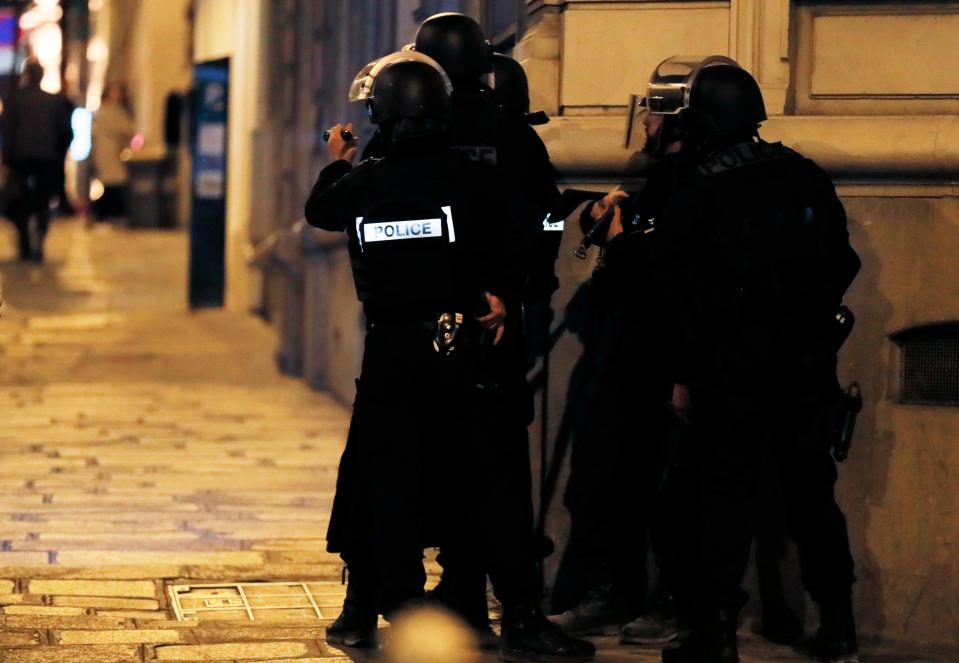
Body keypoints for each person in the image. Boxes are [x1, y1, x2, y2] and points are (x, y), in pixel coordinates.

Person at [305, 57, 594, 663]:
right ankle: (519, 614)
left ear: (382, 113)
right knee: (491, 478)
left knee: (388, 480)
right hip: (463, 343)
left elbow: (321, 210)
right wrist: (498, 292)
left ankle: (387, 608)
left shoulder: (367, 181)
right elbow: (525, 230)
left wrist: (339, 158)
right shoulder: (472, 175)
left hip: (390, 352)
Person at [632, 56, 861, 663]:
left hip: (730, 372)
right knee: (812, 495)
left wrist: (684, 375)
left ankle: (715, 636)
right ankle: (838, 628)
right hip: (806, 366)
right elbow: (843, 264)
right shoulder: (804, 174)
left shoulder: (701, 192)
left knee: (724, 501)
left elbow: (676, 297)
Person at [551, 87, 692, 643]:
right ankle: (612, 590)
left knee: (670, 491)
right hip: (632, 356)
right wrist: (615, 217)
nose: (647, 123)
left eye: (656, 113)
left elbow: (671, 274)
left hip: (671, 359)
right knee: (607, 476)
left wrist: (624, 242)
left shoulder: (700, 185)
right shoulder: (662, 183)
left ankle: (672, 601)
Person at [1, 57, 73, 261]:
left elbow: (6, 130)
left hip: (20, 158)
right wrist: (59, 155)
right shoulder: (55, 101)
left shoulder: (13, 99)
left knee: (20, 200)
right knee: (42, 202)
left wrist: (7, 156)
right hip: (47, 158)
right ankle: (39, 240)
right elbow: (65, 131)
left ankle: (25, 242)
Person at [92, 82, 135, 221]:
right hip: (107, 151)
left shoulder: (117, 111)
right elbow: (125, 128)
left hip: (114, 151)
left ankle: (108, 213)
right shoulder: (106, 112)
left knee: (114, 182)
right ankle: (107, 213)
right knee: (112, 181)